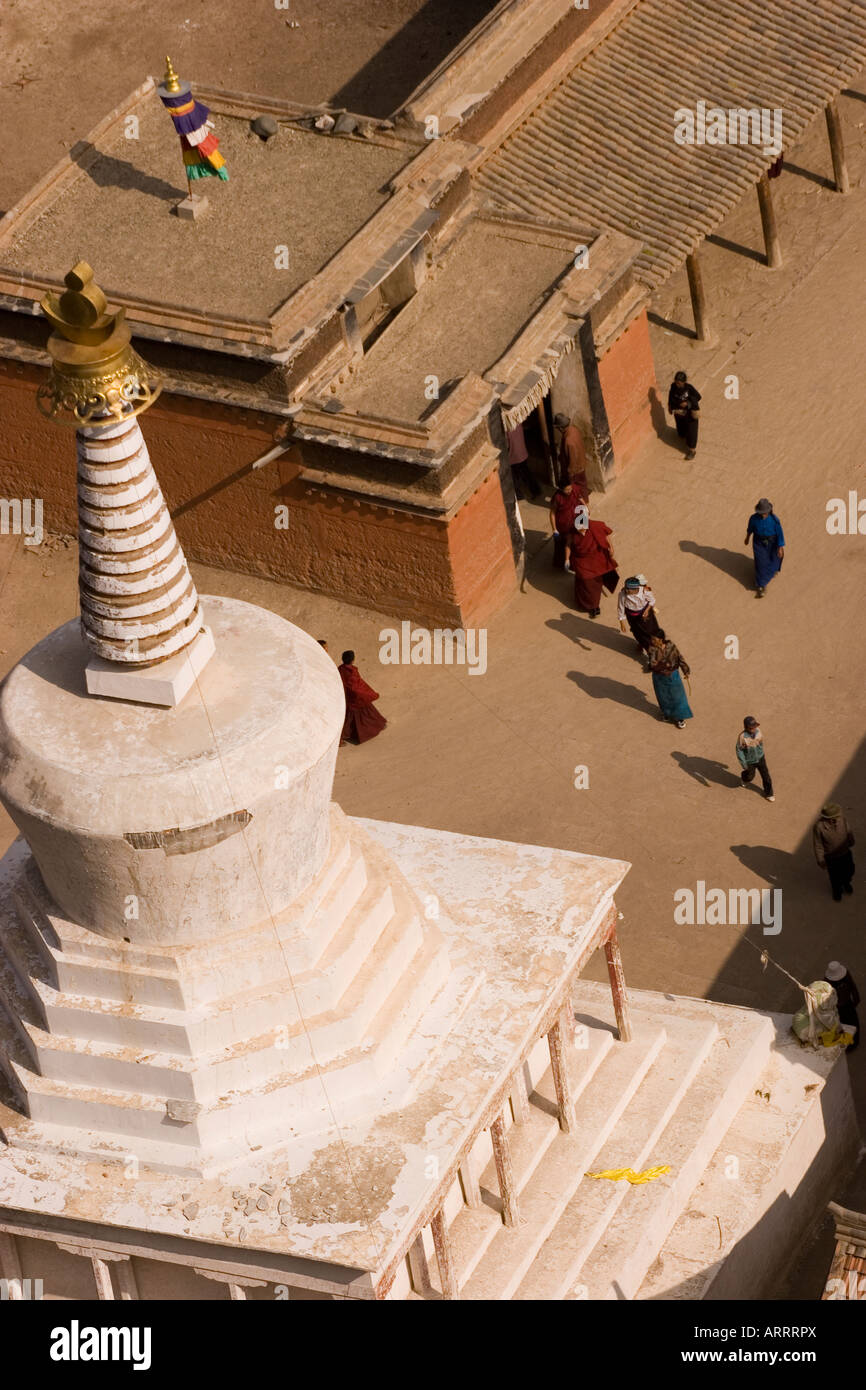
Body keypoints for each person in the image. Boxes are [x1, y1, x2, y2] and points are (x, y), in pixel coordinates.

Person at [568, 507, 618, 618]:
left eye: (583, 529)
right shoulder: (573, 532)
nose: (581, 531)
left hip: (597, 557)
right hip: (582, 561)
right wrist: (567, 559)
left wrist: (611, 547)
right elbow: (568, 545)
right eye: (579, 529)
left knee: (597, 579)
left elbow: (605, 534)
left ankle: (594, 605)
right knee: (586, 582)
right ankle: (592, 606)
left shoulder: (596, 526)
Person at [338, 651, 387, 745]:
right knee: (368, 712)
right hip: (355, 699)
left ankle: (344, 737)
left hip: (346, 698)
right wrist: (368, 694)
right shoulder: (352, 671)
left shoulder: (340, 669)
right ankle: (378, 726)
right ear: (352, 660)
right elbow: (357, 686)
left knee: (348, 719)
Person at [645, 631, 692, 727]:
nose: (652, 641)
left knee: (678, 697)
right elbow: (653, 664)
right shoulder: (652, 649)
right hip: (659, 677)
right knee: (663, 696)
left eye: (655, 639)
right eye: (652, 639)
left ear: (661, 639)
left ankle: (680, 717)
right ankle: (667, 713)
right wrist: (663, 666)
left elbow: (679, 658)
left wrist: (686, 670)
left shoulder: (671, 647)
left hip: (673, 675)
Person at [813, 803, 855, 901]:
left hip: (845, 853)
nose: (838, 817)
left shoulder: (842, 819)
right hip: (832, 858)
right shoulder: (819, 827)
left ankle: (846, 882)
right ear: (829, 818)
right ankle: (837, 890)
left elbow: (848, 831)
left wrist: (851, 841)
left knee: (850, 870)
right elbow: (818, 845)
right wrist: (821, 861)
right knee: (835, 877)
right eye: (835, 816)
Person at [618, 575, 662, 666]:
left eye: (628, 589)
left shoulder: (645, 591)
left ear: (635, 589)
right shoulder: (622, 594)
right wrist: (622, 622)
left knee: (649, 634)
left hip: (646, 616)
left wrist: (647, 610)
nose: (626, 590)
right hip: (632, 617)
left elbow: (652, 600)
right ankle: (643, 645)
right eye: (626, 588)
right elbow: (621, 607)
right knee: (637, 633)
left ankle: (652, 655)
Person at [744, 498, 785, 597]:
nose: (764, 514)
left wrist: (780, 547)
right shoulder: (753, 519)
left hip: (772, 542)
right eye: (762, 512)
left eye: (765, 512)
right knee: (760, 563)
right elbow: (750, 529)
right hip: (758, 543)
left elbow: (779, 533)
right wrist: (747, 538)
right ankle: (761, 586)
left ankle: (772, 572)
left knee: (775, 558)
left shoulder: (774, 520)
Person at [549, 473, 589, 570]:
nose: (569, 491)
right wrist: (554, 529)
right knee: (564, 544)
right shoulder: (557, 497)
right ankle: (563, 562)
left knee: (577, 541)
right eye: (566, 490)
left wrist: (586, 508)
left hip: (576, 520)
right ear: (561, 489)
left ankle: (577, 563)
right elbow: (552, 513)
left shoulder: (574, 489)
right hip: (563, 526)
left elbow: (579, 497)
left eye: (570, 488)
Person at [736, 715, 774, 801]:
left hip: (760, 758)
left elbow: (760, 743)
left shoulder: (758, 732)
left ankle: (769, 793)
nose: (754, 729)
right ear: (746, 727)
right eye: (751, 728)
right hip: (750, 761)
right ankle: (744, 778)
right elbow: (739, 750)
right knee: (750, 777)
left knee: (766, 776)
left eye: (755, 727)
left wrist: (760, 752)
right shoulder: (742, 737)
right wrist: (744, 763)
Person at [824, 962, 860, 1050]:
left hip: (844, 1006)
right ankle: (851, 1043)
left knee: (848, 1024)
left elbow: (853, 987)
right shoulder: (829, 981)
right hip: (841, 1006)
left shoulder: (828, 981)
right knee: (849, 1024)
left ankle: (851, 1043)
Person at [667, 371, 701, 459]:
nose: (677, 384)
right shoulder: (673, 387)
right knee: (681, 430)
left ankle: (692, 450)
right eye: (676, 382)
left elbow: (698, 397)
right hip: (679, 413)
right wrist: (670, 406)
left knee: (692, 431)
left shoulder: (689, 388)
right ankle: (683, 435)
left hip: (689, 413)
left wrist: (688, 403)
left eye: (679, 383)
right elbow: (670, 396)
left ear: (684, 382)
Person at [506, 422, 541, 500]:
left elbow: (507, 444)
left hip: (513, 457)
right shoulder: (518, 423)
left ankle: (519, 495)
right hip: (522, 453)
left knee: (514, 477)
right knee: (526, 473)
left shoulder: (507, 430)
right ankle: (536, 490)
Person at [553, 413, 589, 485]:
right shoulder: (574, 429)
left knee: (577, 490)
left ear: (560, 428)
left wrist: (570, 473)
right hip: (581, 465)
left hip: (576, 471)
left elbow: (573, 459)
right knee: (582, 486)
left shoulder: (568, 440)